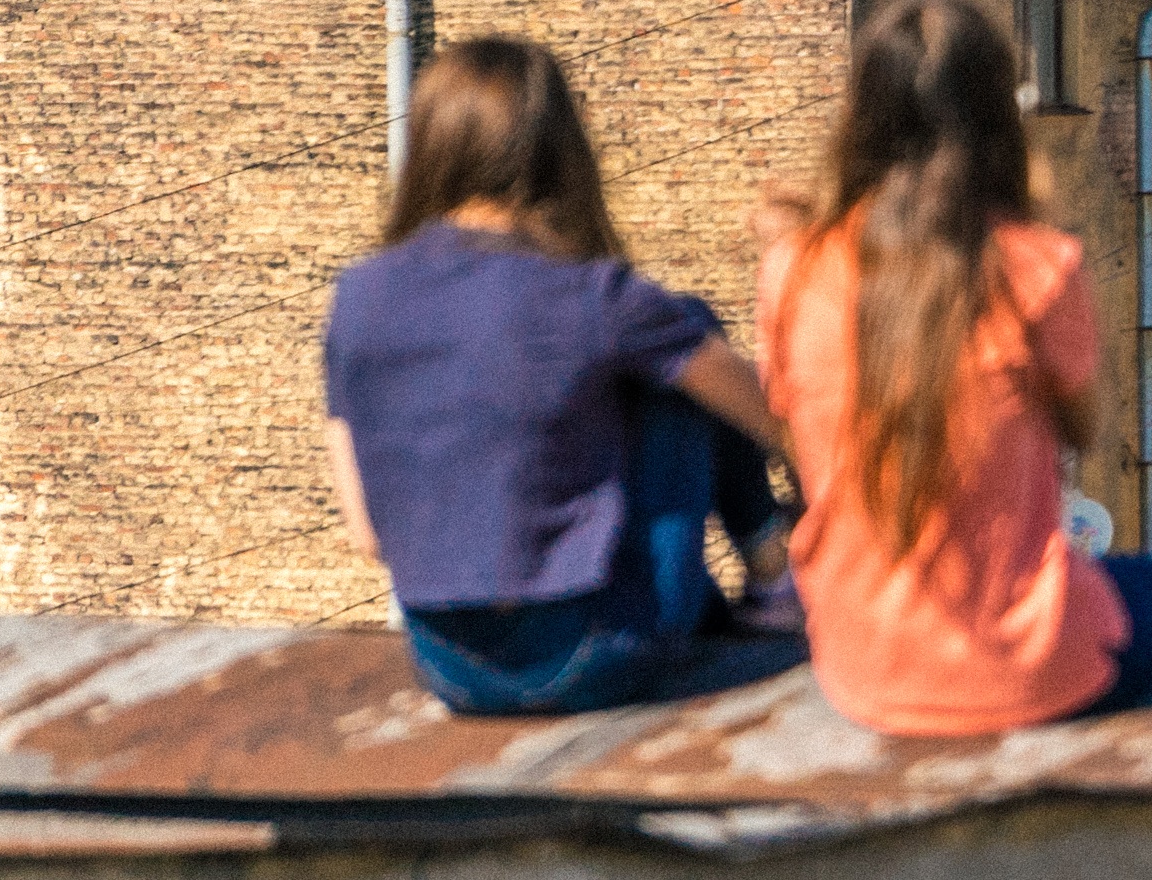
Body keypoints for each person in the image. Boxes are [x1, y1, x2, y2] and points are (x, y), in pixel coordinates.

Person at [758, 0, 1152, 735]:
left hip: (860, 664)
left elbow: (794, 435)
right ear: (999, 119)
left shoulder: (793, 269)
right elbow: (1087, 429)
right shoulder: (1035, 267)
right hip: (1021, 667)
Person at [322, 38, 798, 716]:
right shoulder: (593, 296)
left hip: (448, 668)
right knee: (681, 337)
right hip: (602, 653)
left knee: (640, 358)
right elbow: (776, 420)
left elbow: (367, 535)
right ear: (558, 151)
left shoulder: (357, 299)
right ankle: (772, 569)